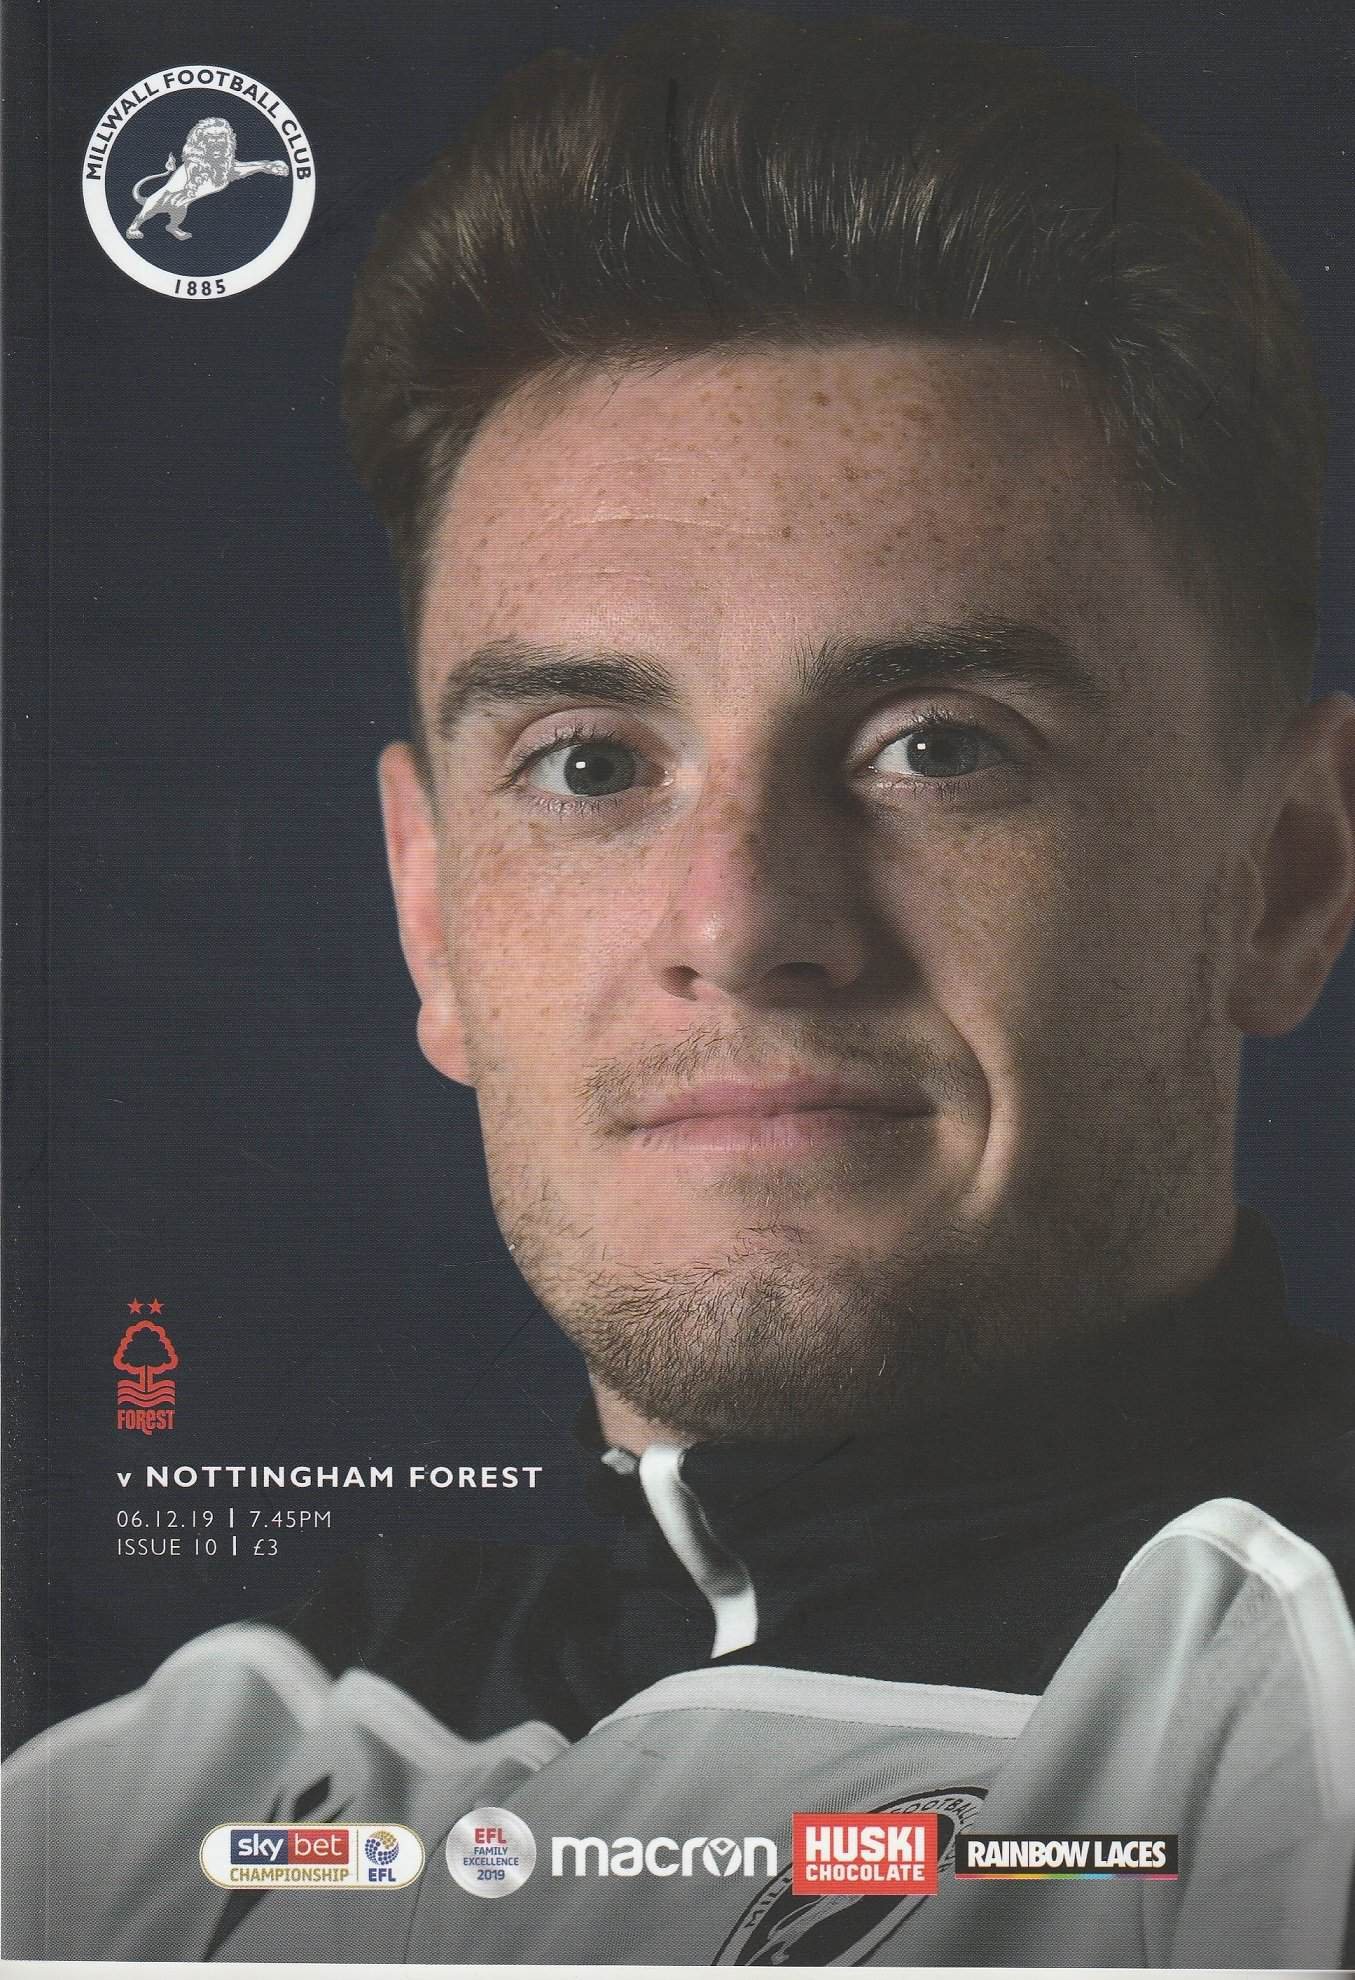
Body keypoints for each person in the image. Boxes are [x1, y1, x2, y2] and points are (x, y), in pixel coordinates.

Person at [6, 8, 1354, 1967]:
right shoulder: (192, 1779)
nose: (737, 920)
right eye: (587, 764)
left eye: (938, 745)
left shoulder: (1292, 1696)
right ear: (431, 914)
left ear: (1287, 877)